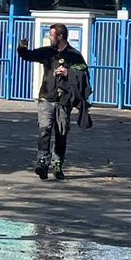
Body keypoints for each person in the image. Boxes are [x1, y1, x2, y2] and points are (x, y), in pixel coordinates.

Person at [17, 23, 92, 180]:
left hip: (64, 101)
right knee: (44, 130)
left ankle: (58, 164)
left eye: (51, 35)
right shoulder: (47, 53)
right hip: (46, 97)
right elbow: (29, 55)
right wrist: (22, 48)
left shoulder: (74, 55)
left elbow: (84, 74)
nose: (49, 38)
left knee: (61, 133)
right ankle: (42, 162)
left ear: (60, 36)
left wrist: (67, 72)